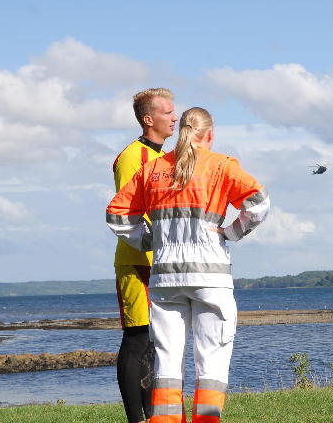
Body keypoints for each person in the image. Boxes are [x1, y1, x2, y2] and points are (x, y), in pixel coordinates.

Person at [106, 107, 270, 423]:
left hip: (165, 277)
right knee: (212, 361)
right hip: (210, 276)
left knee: (166, 363)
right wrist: (231, 232)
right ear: (209, 134)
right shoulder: (221, 165)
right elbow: (259, 204)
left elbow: (117, 214)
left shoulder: (153, 170)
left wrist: (148, 240)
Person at [113, 88, 177, 423]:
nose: (175, 118)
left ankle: (154, 416)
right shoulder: (131, 157)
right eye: (168, 112)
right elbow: (129, 210)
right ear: (149, 119)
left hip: (165, 264)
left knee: (157, 342)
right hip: (138, 262)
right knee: (137, 337)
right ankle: (135, 419)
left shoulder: (168, 158)